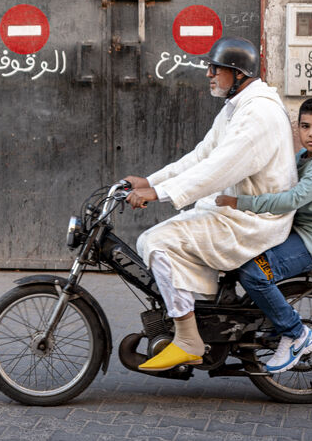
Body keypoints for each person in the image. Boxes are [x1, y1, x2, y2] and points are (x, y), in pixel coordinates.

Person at [124, 37, 297, 371]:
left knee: (156, 242)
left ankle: (188, 338)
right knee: (164, 237)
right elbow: (202, 156)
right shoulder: (238, 107)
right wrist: (151, 181)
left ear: (237, 73)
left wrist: (160, 194)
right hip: (232, 210)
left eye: (215, 68)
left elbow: (217, 170)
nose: (208, 73)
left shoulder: (258, 114)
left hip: (252, 220)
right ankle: (196, 314)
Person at [216, 97, 312, 373]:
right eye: (305, 126)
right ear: (297, 129)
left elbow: (291, 199)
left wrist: (239, 202)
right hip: (299, 229)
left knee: (256, 274)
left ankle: (295, 334)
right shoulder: (303, 157)